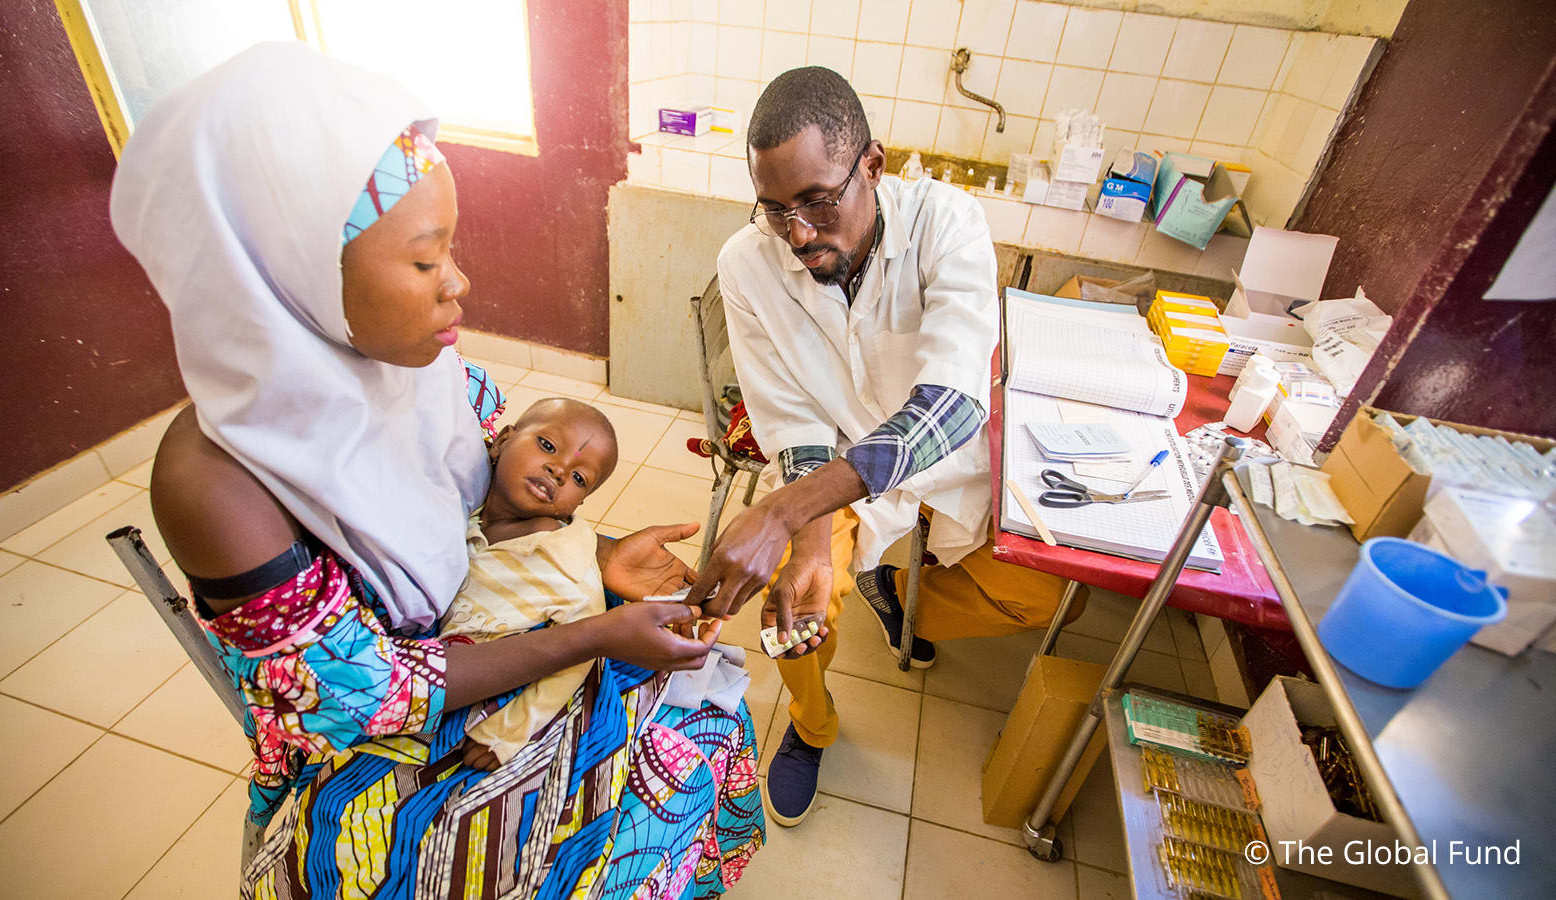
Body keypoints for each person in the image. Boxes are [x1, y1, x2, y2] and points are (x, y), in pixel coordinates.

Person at [111, 42, 761, 897]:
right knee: (649, 782)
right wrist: (595, 631)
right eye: (425, 261)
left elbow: (495, 489)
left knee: (706, 708)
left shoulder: (418, 361)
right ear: (292, 266)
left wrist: (593, 558)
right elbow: (364, 700)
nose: (458, 283)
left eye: (450, 249)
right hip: (382, 746)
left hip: (479, 642)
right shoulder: (218, 482)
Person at [686, 67, 1085, 827]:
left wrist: (785, 511)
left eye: (817, 203)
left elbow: (952, 406)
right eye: (775, 210)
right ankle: (812, 727)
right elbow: (791, 421)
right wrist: (802, 538)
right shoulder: (747, 264)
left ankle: (907, 602)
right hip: (836, 469)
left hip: (949, 461)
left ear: (872, 163)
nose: (798, 234)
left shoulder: (948, 224)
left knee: (1045, 592)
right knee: (792, 610)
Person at [442, 397, 621, 770]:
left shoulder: (566, 567)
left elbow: (580, 653)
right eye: (548, 446)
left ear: (578, 503)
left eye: (578, 478)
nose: (558, 470)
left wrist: (505, 734)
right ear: (504, 439)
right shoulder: (456, 497)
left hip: (485, 693)